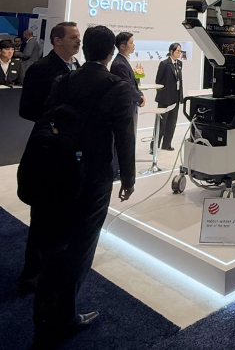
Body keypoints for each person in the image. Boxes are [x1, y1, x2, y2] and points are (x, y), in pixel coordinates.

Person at [24, 25, 135, 347]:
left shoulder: (65, 80)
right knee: (80, 250)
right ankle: (64, 318)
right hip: (93, 178)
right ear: (111, 52)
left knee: (55, 247)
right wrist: (128, 178)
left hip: (56, 170)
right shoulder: (117, 86)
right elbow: (124, 136)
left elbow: (47, 119)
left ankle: (44, 317)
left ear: (85, 49)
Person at [18, 22, 82, 291]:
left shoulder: (76, 67)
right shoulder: (41, 69)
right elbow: (26, 109)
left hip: (69, 151)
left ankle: (52, 269)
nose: (78, 41)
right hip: (48, 151)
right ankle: (31, 273)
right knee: (42, 216)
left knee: (63, 215)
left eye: (79, 37)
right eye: (73, 37)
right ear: (57, 40)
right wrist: (58, 117)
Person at [155, 43, 184, 151]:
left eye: (180, 51)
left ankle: (166, 144)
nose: (179, 53)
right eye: (177, 51)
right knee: (161, 123)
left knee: (172, 122)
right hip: (165, 98)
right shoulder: (164, 64)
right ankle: (155, 145)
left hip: (176, 97)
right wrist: (163, 93)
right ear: (171, 51)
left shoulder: (179, 63)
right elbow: (158, 80)